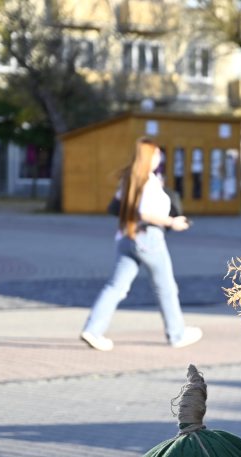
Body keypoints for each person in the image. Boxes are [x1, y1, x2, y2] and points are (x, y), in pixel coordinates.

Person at [80, 137, 203, 351]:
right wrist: (172, 222)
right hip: (149, 238)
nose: (160, 158)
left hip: (127, 236)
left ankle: (93, 330)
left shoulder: (130, 178)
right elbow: (145, 212)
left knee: (115, 287)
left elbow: (118, 206)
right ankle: (177, 334)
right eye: (157, 154)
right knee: (166, 287)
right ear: (150, 157)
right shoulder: (147, 181)